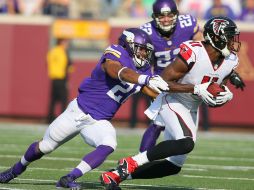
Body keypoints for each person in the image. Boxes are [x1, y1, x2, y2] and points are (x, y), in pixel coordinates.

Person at [0, 28, 169, 189]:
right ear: (129, 44)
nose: (143, 54)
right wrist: (143, 79)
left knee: (109, 144)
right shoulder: (116, 51)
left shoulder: (143, 68)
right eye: (140, 49)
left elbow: (149, 90)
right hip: (78, 111)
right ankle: (17, 169)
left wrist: (171, 95)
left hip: (98, 121)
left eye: (146, 51)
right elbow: (115, 70)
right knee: (45, 147)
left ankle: (69, 178)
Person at [100, 16, 242, 189]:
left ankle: (115, 175)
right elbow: (163, 83)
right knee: (186, 143)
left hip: (192, 107)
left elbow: (211, 97)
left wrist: (223, 98)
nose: (233, 42)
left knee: (173, 166)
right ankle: (131, 162)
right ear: (216, 37)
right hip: (172, 100)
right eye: (229, 37)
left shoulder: (230, 61)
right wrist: (196, 89)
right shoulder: (194, 52)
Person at [138, 0, 203, 153]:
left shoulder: (188, 24)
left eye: (169, 15)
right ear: (154, 16)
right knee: (158, 123)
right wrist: (150, 85)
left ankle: (156, 158)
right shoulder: (146, 32)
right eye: (161, 16)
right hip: (163, 83)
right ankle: (139, 160)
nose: (166, 19)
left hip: (186, 82)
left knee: (185, 130)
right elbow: (143, 65)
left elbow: (202, 50)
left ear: (176, 15)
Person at [47, 38, 72, 124]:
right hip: (61, 78)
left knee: (53, 99)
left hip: (54, 78)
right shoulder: (62, 52)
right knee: (64, 99)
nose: (67, 44)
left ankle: (49, 117)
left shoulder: (53, 51)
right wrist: (66, 80)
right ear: (61, 42)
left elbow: (48, 62)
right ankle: (63, 119)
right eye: (66, 42)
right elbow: (66, 66)